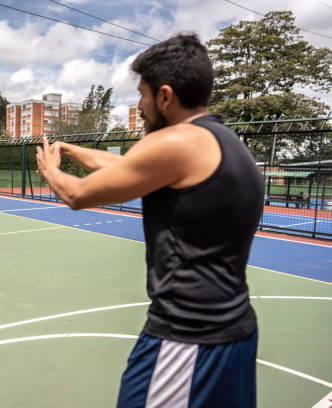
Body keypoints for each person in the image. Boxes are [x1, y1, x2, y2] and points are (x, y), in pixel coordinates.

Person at [36, 34, 263, 408]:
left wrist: (51, 169)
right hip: (234, 331)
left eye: (142, 94)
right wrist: (73, 149)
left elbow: (77, 195)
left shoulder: (177, 142)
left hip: (186, 340)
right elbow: (129, 169)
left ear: (165, 96)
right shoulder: (222, 141)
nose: (139, 106)